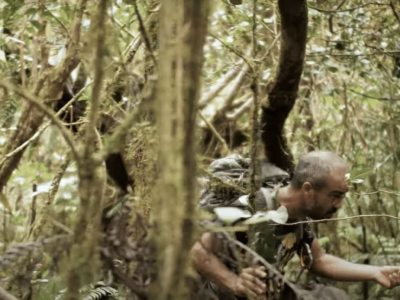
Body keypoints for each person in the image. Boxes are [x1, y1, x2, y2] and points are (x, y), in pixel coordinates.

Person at [190, 151, 400, 300]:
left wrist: (375, 272)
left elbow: (319, 260)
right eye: (335, 196)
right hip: (212, 289)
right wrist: (234, 282)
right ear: (308, 189)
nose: (339, 205)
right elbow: (198, 251)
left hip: (261, 292)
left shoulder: (298, 217)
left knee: (331, 296)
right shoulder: (258, 204)